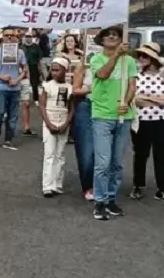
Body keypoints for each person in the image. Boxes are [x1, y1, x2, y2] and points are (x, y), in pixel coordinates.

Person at [89, 25, 136, 220]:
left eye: (115, 35)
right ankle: (99, 200)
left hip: (124, 116)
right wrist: (116, 55)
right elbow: (102, 74)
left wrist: (127, 101)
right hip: (102, 115)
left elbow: (132, 84)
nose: (111, 37)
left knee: (117, 163)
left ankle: (110, 198)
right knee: (103, 163)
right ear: (101, 40)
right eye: (108, 35)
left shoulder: (130, 61)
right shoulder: (96, 59)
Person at [128, 42, 164, 202]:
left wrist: (148, 98)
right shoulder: (136, 75)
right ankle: (138, 185)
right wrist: (159, 99)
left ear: (153, 58)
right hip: (141, 121)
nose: (141, 58)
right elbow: (134, 99)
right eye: (140, 55)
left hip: (163, 121)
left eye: (145, 56)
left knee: (162, 155)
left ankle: (161, 187)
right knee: (141, 154)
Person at [39, 57, 74, 197]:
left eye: (57, 70)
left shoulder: (70, 88)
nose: (54, 73)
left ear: (65, 70)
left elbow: (72, 108)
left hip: (63, 122)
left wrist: (66, 124)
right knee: (49, 154)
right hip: (49, 121)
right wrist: (48, 123)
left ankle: (58, 184)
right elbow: (42, 105)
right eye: (52, 70)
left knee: (60, 155)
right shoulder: (47, 85)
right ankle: (47, 185)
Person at [0, 27, 28, 150]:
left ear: (15, 37)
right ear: (2, 37)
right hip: (1, 87)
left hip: (14, 88)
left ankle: (8, 139)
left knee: (13, 115)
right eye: (7, 35)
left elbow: (25, 68)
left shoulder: (20, 53)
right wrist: (2, 77)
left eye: (12, 35)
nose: (9, 37)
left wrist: (18, 79)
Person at [71, 62, 95, 201]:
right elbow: (75, 90)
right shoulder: (84, 65)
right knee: (86, 150)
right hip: (87, 105)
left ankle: (101, 183)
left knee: (104, 151)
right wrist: (92, 89)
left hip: (107, 107)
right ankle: (88, 185)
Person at [20, 31, 43, 136]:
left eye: (30, 36)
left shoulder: (36, 47)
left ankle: (36, 99)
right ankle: (23, 99)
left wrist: (41, 69)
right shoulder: (21, 47)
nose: (28, 38)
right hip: (22, 69)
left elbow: (40, 59)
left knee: (34, 84)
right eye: (27, 36)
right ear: (24, 37)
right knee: (23, 86)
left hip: (33, 67)